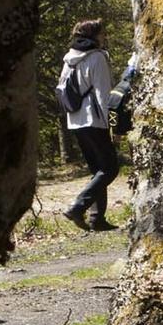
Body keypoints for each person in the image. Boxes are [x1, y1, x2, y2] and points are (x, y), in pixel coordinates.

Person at [58, 19, 119, 231]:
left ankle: (97, 219)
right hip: (95, 119)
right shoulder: (97, 58)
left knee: (98, 170)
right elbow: (104, 94)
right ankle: (78, 206)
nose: (105, 38)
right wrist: (111, 124)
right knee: (110, 169)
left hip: (75, 120)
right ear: (93, 36)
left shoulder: (69, 59)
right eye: (102, 34)